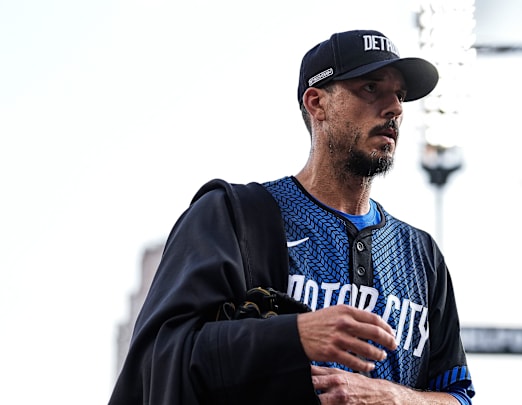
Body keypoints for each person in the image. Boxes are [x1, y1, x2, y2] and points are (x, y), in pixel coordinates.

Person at [110, 29, 474, 405]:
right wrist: (292, 336)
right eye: (370, 88)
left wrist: (394, 398)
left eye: (399, 94)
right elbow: (159, 360)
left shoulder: (420, 254)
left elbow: (459, 396)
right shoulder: (235, 217)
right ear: (317, 103)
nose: (394, 107)